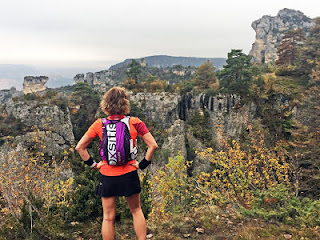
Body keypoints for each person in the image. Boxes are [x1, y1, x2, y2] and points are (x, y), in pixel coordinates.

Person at [75, 87, 158, 240]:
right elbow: (153, 145)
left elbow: (80, 147)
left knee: (108, 217)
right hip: (129, 173)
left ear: (105, 104)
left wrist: (94, 164)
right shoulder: (135, 122)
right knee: (136, 211)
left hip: (107, 175)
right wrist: (142, 164)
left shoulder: (99, 124)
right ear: (125, 103)